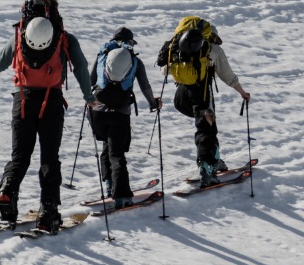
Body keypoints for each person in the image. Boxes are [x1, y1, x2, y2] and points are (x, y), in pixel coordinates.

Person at [0, 0, 95, 232]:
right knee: (49, 158)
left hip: (22, 100)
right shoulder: (64, 38)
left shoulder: (19, 36)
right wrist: (89, 97)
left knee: (20, 156)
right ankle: (48, 210)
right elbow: (82, 68)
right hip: (51, 102)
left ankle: (7, 192)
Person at [156, 17, 250, 187]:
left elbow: (164, 70)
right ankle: (206, 169)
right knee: (206, 129)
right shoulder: (213, 49)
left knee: (209, 125)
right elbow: (227, 75)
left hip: (181, 95)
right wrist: (242, 92)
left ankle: (215, 160)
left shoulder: (180, 47)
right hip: (202, 93)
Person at [89, 27, 160, 204]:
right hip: (120, 113)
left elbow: (89, 82)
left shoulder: (101, 56)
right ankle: (121, 195)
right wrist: (153, 103)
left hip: (97, 112)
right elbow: (145, 86)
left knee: (107, 146)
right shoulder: (135, 61)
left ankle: (109, 185)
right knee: (117, 153)